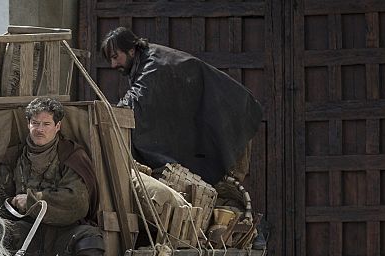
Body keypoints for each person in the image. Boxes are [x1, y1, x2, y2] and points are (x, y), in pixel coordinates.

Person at [100, 27, 263, 185]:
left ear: (131, 50)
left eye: (115, 57)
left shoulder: (153, 63)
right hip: (221, 123)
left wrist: (111, 113)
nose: (113, 65)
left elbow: (138, 98)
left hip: (231, 125)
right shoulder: (143, 61)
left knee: (228, 195)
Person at [0, 97, 104, 256]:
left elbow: (77, 201)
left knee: (90, 239)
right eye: (35, 123)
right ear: (28, 124)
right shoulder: (14, 156)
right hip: (25, 230)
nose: (40, 129)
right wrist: (10, 202)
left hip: (63, 232)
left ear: (57, 126)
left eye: (46, 124)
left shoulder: (71, 155)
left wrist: (32, 201)